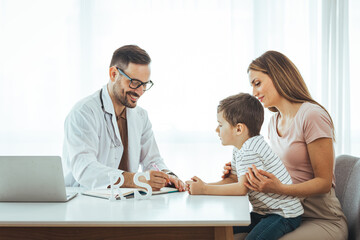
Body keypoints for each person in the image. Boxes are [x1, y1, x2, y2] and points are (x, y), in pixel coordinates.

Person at [223, 51, 348, 240]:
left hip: (320, 219)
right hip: (284, 214)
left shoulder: (312, 115)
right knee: (225, 235)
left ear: (278, 75)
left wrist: (279, 189)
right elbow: (281, 170)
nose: (254, 93)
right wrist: (240, 172)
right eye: (252, 86)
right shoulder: (274, 122)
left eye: (257, 83)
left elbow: (324, 182)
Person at [62, 45, 186, 191]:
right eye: (134, 83)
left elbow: (152, 161)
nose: (140, 92)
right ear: (114, 74)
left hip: (125, 201)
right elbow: (85, 169)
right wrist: (135, 179)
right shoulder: (84, 112)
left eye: (145, 84)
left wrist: (167, 175)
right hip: (85, 199)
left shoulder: (141, 116)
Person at [186, 93, 303, 240]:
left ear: (239, 129)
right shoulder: (241, 147)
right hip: (264, 212)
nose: (217, 130)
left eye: (221, 125)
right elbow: (234, 179)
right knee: (220, 228)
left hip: (283, 214)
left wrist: (204, 189)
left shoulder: (249, 151)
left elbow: (241, 188)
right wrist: (203, 186)